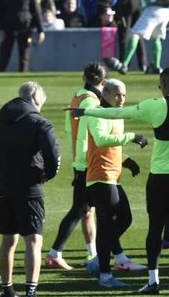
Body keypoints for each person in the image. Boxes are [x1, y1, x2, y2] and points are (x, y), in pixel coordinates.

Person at [72, 67, 169, 295]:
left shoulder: (153, 105)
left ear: (163, 84)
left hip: (158, 177)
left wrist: (87, 113)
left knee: (155, 226)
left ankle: (153, 281)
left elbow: (118, 113)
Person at [0, 82, 60, 297]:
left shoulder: (1, 121)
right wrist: (46, 175)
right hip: (30, 189)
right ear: (36, 100)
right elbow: (52, 156)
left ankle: (7, 289)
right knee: (34, 239)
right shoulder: (40, 123)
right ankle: (31, 291)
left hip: (6, 188)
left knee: (8, 239)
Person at [84, 78, 149, 288]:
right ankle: (104, 274)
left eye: (124, 95)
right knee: (106, 225)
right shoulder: (97, 113)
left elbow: (112, 145)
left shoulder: (115, 114)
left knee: (125, 218)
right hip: (100, 177)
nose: (121, 99)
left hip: (112, 177)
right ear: (105, 95)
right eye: (117, 95)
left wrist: (126, 161)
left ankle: (98, 261)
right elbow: (101, 140)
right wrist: (131, 136)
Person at [45, 63, 104, 271]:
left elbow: (71, 131)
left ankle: (92, 253)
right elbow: (93, 134)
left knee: (88, 211)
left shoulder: (77, 98)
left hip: (79, 159)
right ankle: (55, 252)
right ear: (103, 82)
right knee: (80, 209)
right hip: (89, 161)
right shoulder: (92, 102)